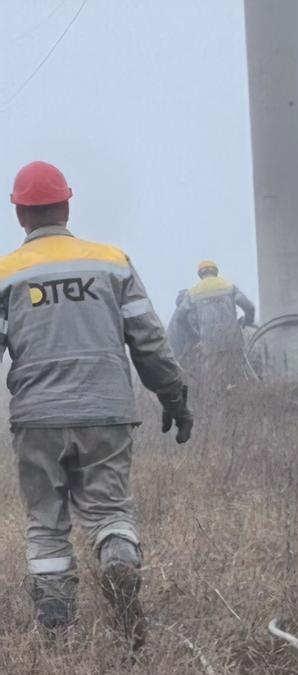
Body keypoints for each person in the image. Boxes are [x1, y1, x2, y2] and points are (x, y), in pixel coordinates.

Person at [0, 161, 193, 638]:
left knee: (46, 525)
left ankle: (57, 629)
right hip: (106, 412)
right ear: (67, 205)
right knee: (110, 512)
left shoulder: (6, 274)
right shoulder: (110, 262)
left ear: (21, 216)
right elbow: (149, 341)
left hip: (37, 419)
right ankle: (117, 559)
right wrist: (174, 398)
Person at [169, 259, 255, 385]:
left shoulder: (193, 292)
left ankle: (219, 402)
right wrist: (247, 320)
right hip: (233, 341)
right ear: (215, 272)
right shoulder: (228, 286)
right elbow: (249, 307)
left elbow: (179, 318)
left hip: (209, 344)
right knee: (239, 376)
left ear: (200, 274)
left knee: (215, 381)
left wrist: (193, 334)